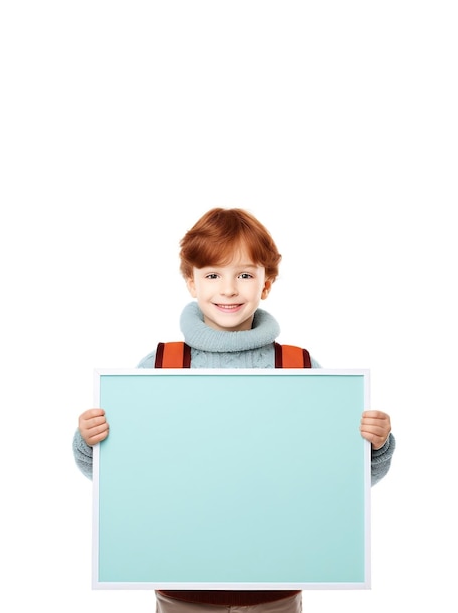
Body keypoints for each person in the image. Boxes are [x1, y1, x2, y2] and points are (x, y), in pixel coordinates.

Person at [73, 207, 395, 613]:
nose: (228, 289)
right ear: (191, 282)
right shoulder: (158, 365)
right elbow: (118, 480)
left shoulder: (299, 366)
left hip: (277, 586)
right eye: (212, 274)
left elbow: (341, 484)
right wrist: (90, 441)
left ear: (267, 282)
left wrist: (376, 443)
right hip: (181, 586)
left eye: (244, 274)